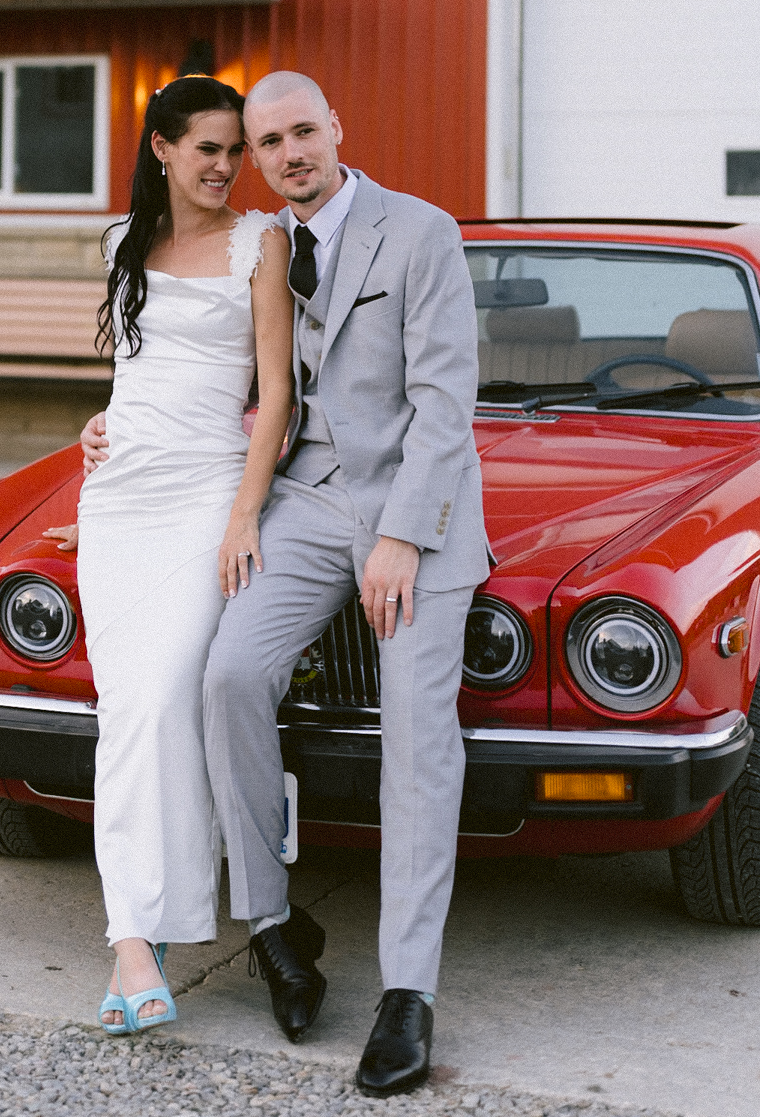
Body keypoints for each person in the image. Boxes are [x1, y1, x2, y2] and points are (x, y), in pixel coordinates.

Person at [82, 72, 488, 1095]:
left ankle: (407, 994)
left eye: (301, 131)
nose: (286, 153)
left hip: (413, 516)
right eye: (266, 143)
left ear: (336, 130)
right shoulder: (266, 244)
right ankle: (271, 921)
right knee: (223, 677)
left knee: (413, 735)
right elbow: (250, 391)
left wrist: (403, 536)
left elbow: (446, 403)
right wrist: (117, 427)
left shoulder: (420, 231)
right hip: (305, 502)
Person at [45, 75, 295, 1037]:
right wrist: (98, 423)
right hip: (119, 497)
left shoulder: (259, 243)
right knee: (129, 709)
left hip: (203, 498)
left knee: (157, 697)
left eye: (238, 151)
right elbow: (133, 370)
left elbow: (272, 396)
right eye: (209, 150)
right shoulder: (121, 242)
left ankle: (148, 932)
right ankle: (138, 945)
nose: (229, 167)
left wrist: (243, 517)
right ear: (161, 148)